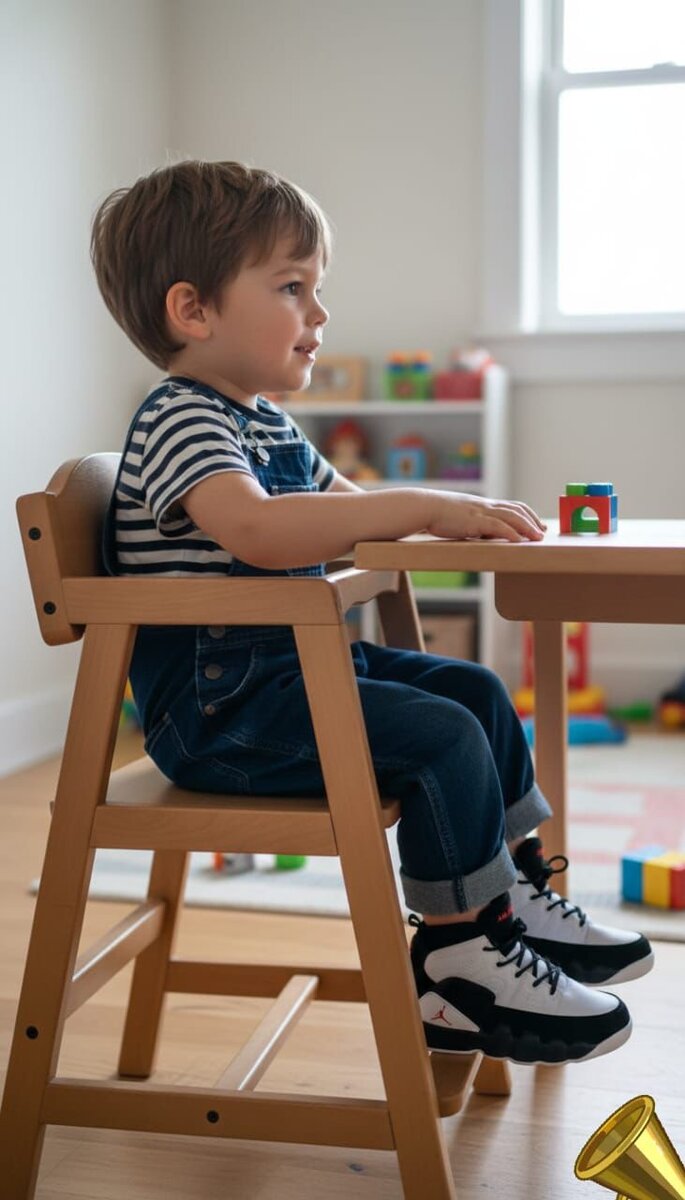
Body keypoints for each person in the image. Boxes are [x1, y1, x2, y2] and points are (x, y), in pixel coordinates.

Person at [91, 159, 653, 1067]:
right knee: (439, 736)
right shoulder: (183, 419)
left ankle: (501, 896)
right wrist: (419, 505)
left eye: (319, 289)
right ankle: (459, 959)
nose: (318, 315)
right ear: (192, 312)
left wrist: (452, 519)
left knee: (471, 689)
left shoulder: (265, 422)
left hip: (290, 679)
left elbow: (350, 519)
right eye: (292, 287)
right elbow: (259, 530)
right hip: (219, 713)